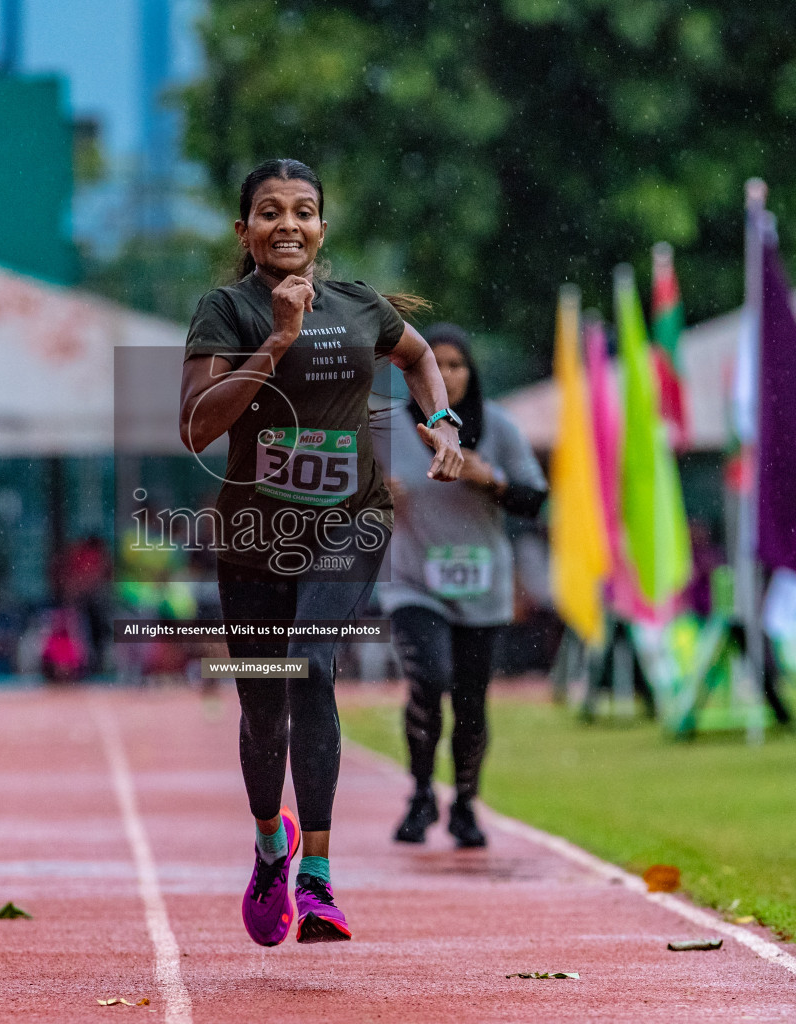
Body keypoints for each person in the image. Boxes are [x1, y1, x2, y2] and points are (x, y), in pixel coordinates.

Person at [180, 158, 463, 946]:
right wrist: (276, 340)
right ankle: (274, 843)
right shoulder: (226, 310)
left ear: (322, 229)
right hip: (255, 536)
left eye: (304, 212)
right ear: (244, 232)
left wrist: (442, 424)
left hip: (350, 521)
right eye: (269, 213)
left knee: (311, 661)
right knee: (263, 707)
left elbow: (418, 357)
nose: (288, 225)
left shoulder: (360, 306)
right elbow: (196, 427)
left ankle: (321, 879)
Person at [376, 323, 547, 848]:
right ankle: (421, 793)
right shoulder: (384, 429)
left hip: (483, 584)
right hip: (413, 582)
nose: (446, 374)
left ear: (472, 372)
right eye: (436, 364)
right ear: (409, 371)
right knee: (430, 679)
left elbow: (534, 499)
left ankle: (466, 805)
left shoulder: (498, 426)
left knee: (472, 701)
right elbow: (339, 493)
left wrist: (488, 477)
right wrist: (374, 494)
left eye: (457, 365)